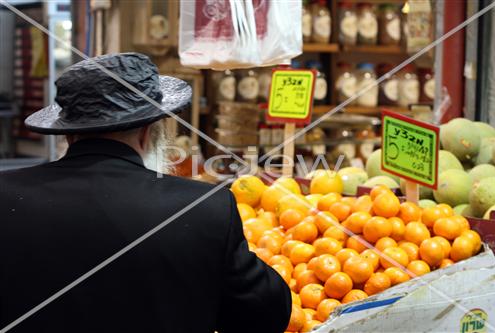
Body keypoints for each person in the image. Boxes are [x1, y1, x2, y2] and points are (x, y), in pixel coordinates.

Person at [0, 53, 291, 333]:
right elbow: (264, 316)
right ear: (148, 132)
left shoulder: (7, 195)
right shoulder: (204, 207)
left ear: (68, 133)